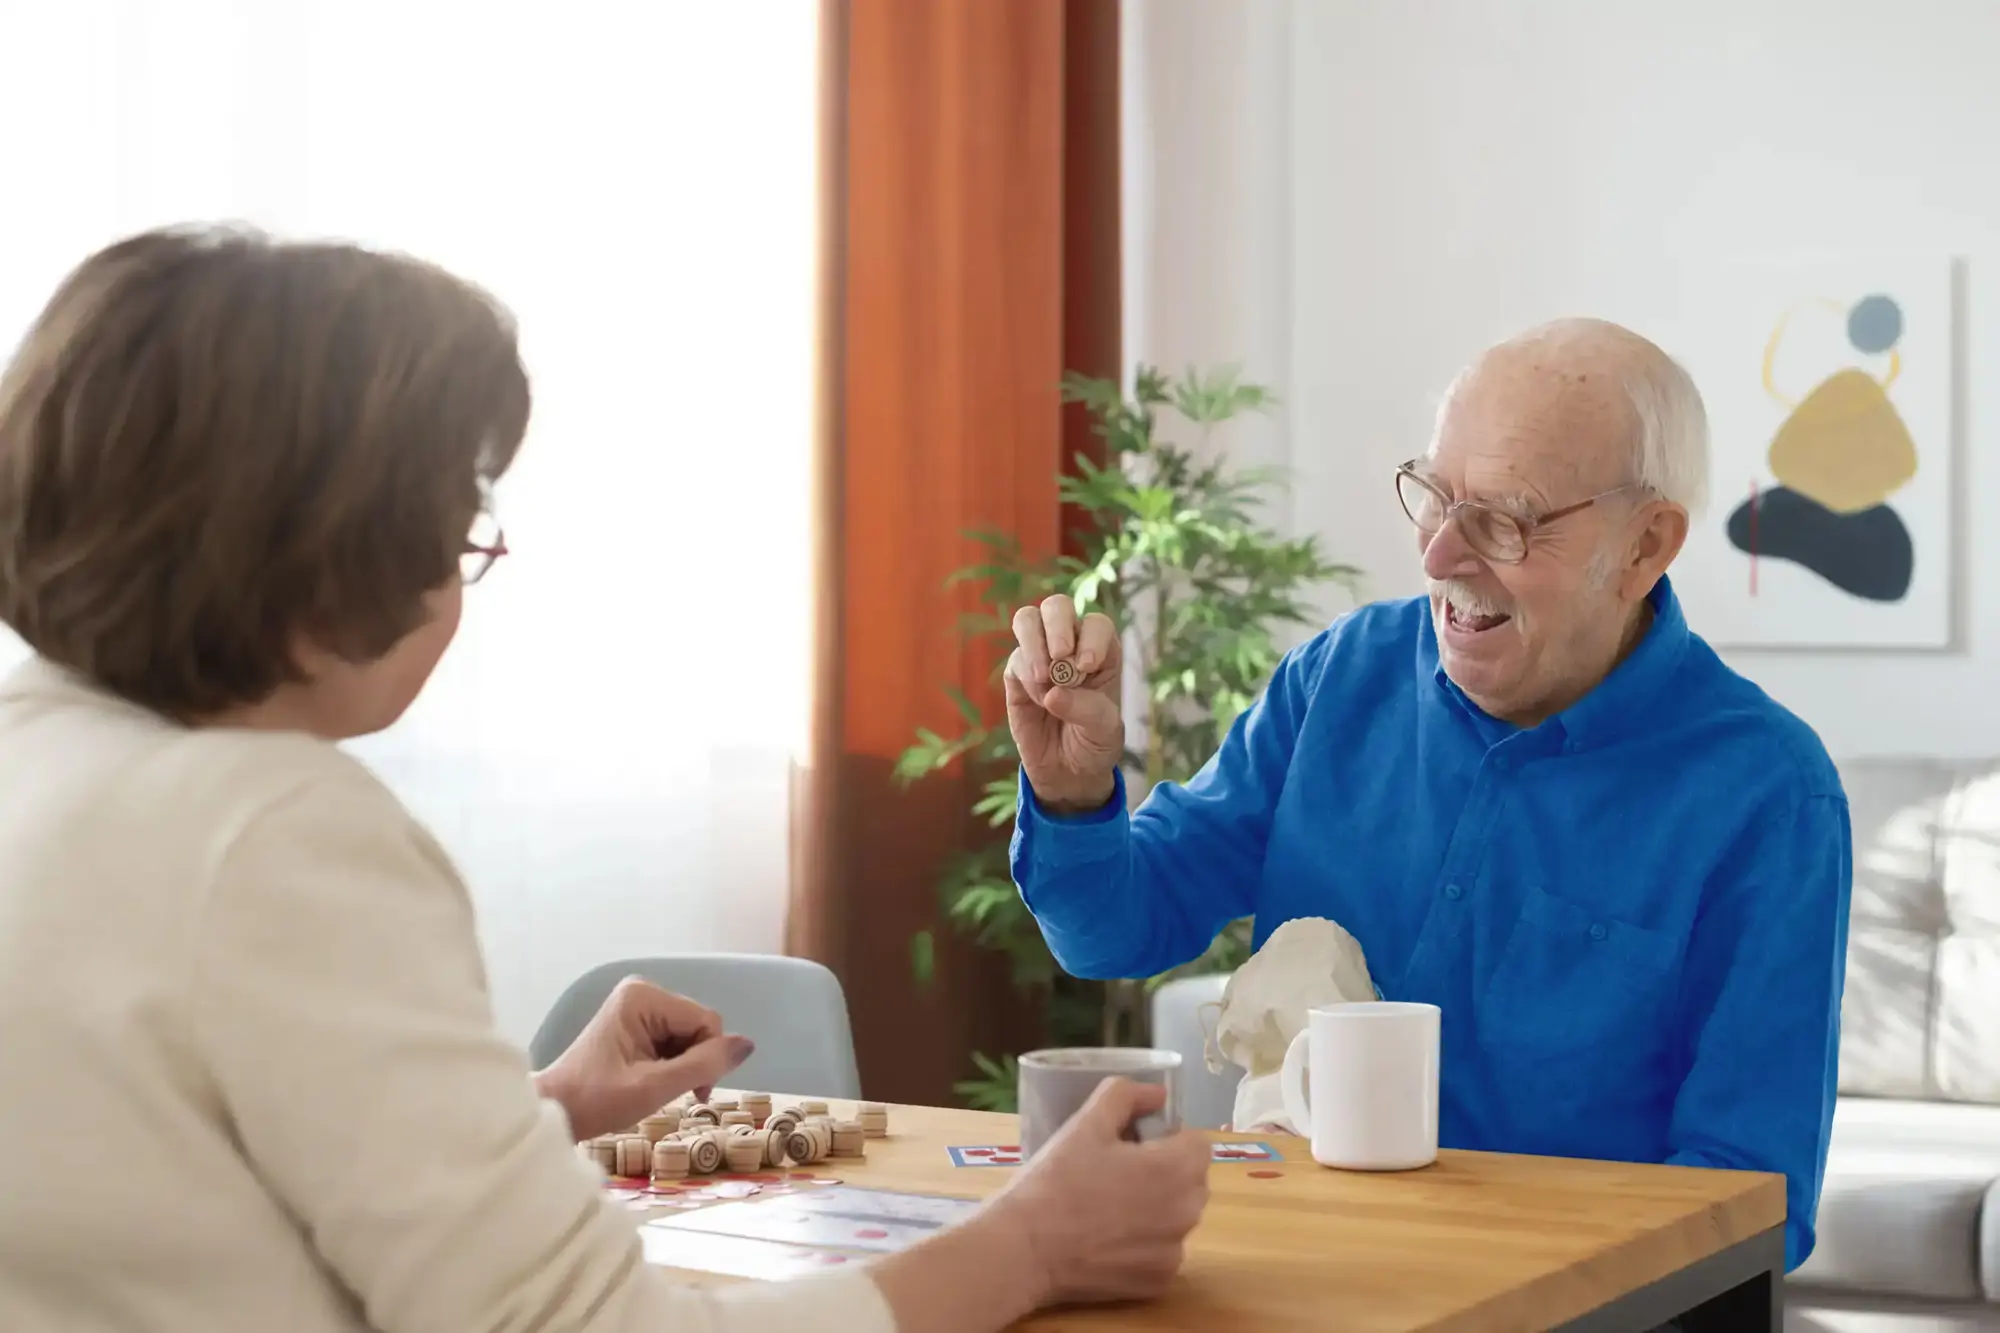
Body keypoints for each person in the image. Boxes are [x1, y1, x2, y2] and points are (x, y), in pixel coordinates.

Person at [0, 225, 1210, 1333]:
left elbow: (182, 1173)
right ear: (344, 545)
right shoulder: (272, 830)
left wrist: (544, 1107)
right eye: (458, 528)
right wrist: (1034, 1243)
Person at [1004, 318, 1850, 1273]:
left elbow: (1751, 1201)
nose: (1442, 554)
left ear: (1646, 546)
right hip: (1293, 1279)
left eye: (1506, 518)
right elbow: (1117, 929)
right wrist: (1072, 797)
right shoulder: (1340, 676)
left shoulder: (1769, 796)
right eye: (1436, 497)